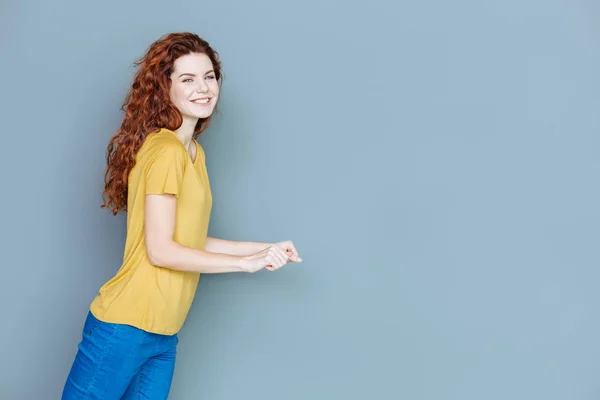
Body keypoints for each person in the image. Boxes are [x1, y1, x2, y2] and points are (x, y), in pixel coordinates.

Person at [61, 32, 302, 400]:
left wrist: (265, 249)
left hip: (164, 333)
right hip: (124, 327)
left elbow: (186, 239)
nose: (203, 88)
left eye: (209, 76)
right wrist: (245, 265)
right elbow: (162, 251)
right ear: (164, 88)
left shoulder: (193, 153)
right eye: (187, 79)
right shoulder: (165, 150)